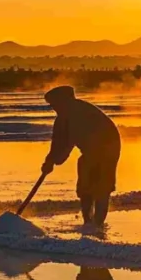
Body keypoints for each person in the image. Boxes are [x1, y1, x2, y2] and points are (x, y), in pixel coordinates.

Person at [41, 86, 121, 227]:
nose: (53, 108)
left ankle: (97, 224)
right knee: (85, 187)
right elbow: (58, 143)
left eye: (54, 104)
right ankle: (88, 222)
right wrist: (50, 161)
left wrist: (53, 161)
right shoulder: (63, 117)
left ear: (65, 101)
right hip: (89, 152)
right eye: (51, 105)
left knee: (102, 188)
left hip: (109, 148)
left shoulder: (78, 113)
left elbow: (66, 143)